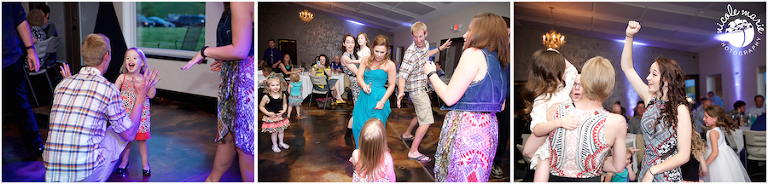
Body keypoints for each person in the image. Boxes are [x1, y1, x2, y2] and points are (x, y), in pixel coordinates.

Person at [44, 33, 160, 182]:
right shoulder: (108, 89)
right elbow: (130, 135)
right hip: (85, 174)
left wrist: (69, 81)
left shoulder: (62, 85)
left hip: (52, 172)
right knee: (117, 131)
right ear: (106, 56)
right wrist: (140, 96)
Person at [424, 12, 508, 182]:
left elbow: (449, 97)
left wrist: (431, 73)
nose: (464, 34)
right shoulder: (498, 60)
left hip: (467, 128)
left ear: (482, 32)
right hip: (488, 130)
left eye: (470, 30)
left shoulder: (473, 53)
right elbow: (502, 105)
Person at [181, 2, 254, 182]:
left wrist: (204, 51)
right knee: (227, 136)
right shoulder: (228, 6)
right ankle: (212, 180)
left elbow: (241, 50)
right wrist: (227, 59)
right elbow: (241, 44)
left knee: (245, 146)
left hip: (244, 84)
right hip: (232, 78)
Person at [621, 21, 693, 182]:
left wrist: (653, 171)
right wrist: (629, 36)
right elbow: (627, 68)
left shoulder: (680, 109)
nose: (648, 77)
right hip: (646, 169)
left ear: (667, 80)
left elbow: (684, 155)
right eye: (649, 73)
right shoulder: (650, 99)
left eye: (654, 74)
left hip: (666, 174)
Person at [540, 56, 627, 182]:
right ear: (609, 86)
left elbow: (532, 151)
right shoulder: (617, 122)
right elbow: (618, 167)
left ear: (583, 81)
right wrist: (594, 162)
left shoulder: (555, 109)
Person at [397, 21, 452, 163]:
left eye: (420, 36)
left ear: (425, 34)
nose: (418, 40)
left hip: (422, 87)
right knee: (427, 121)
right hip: (416, 91)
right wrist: (401, 91)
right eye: (415, 37)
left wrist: (440, 48)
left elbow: (426, 54)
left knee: (420, 115)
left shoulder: (426, 44)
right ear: (412, 35)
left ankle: (407, 133)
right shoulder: (410, 53)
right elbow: (402, 75)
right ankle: (413, 151)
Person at [520, 48, 577, 181]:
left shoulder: (564, 90)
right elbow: (537, 129)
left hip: (564, 142)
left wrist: (556, 53)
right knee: (544, 162)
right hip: (548, 144)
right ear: (553, 72)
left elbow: (573, 70)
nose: (565, 71)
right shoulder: (542, 98)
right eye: (561, 68)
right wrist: (559, 122)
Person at [3, 2, 44, 161]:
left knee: (21, 103)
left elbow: (20, 19)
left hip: (11, 59)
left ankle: (36, 146)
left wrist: (30, 50)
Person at [114, 48, 156, 176]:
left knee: (141, 140)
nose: (130, 60)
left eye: (134, 57)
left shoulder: (144, 79)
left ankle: (145, 164)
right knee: (126, 140)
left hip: (141, 116)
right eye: (128, 58)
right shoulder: (122, 77)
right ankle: (124, 161)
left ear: (142, 63)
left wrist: (150, 83)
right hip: (126, 115)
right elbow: (113, 93)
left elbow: (152, 95)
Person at [351, 35, 396, 148]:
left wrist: (382, 102)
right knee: (357, 125)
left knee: (376, 131)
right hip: (364, 96)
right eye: (376, 51)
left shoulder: (390, 65)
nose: (379, 55)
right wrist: (364, 86)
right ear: (372, 48)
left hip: (379, 99)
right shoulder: (365, 60)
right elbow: (359, 76)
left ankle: (374, 154)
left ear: (387, 51)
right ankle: (360, 151)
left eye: (382, 52)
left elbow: (391, 86)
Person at [701, 105, 751, 182]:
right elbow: (710, 145)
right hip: (724, 156)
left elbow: (715, 153)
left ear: (715, 119)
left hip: (716, 160)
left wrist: (704, 166)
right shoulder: (718, 130)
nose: (704, 119)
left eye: (706, 117)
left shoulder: (713, 133)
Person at [260, 75, 290, 153]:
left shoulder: (282, 94)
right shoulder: (266, 96)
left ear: (280, 85)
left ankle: (281, 142)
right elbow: (261, 106)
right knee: (274, 132)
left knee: (281, 131)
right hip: (272, 118)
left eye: (277, 85)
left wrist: (284, 110)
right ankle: (274, 145)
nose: (275, 87)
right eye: (273, 85)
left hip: (280, 117)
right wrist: (267, 113)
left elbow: (284, 103)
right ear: (268, 86)